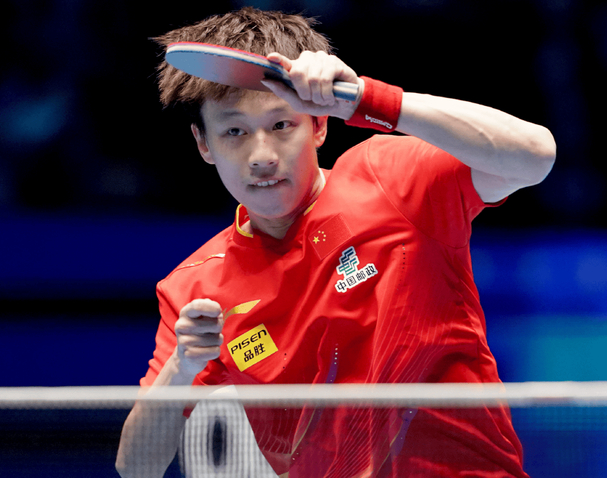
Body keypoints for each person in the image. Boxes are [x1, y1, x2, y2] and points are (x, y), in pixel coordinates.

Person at [116, 7, 556, 478]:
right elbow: (136, 468)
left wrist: (366, 98)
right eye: (234, 132)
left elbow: (535, 156)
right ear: (204, 144)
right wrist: (181, 368)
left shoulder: (392, 179)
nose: (261, 156)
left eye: (281, 125)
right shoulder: (194, 288)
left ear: (319, 125)